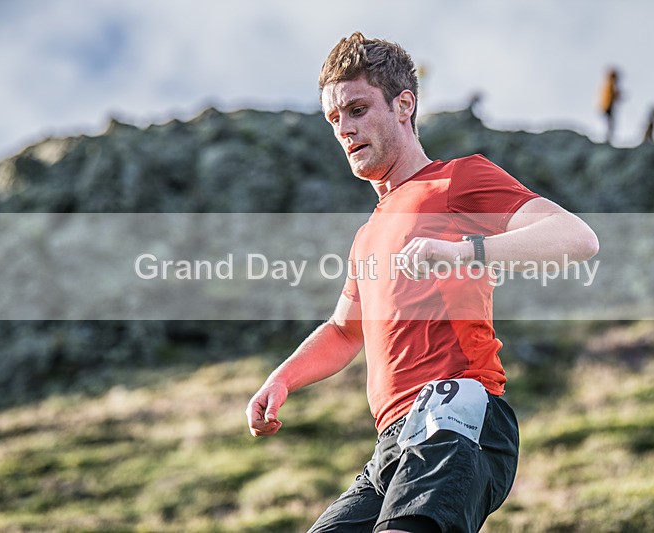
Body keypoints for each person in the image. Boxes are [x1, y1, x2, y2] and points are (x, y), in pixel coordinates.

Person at [246, 32, 599, 533]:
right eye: (334, 118)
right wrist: (280, 379)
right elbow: (346, 332)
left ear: (403, 105)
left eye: (358, 109)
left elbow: (576, 238)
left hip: (455, 411)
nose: (344, 128)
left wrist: (461, 252)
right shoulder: (367, 236)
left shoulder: (457, 179)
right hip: (392, 443)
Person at [599, 68, 622, 143]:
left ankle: (608, 138)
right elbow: (613, 96)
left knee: (610, 123)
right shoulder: (610, 85)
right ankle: (608, 139)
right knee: (610, 124)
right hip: (608, 107)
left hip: (607, 107)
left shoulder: (608, 85)